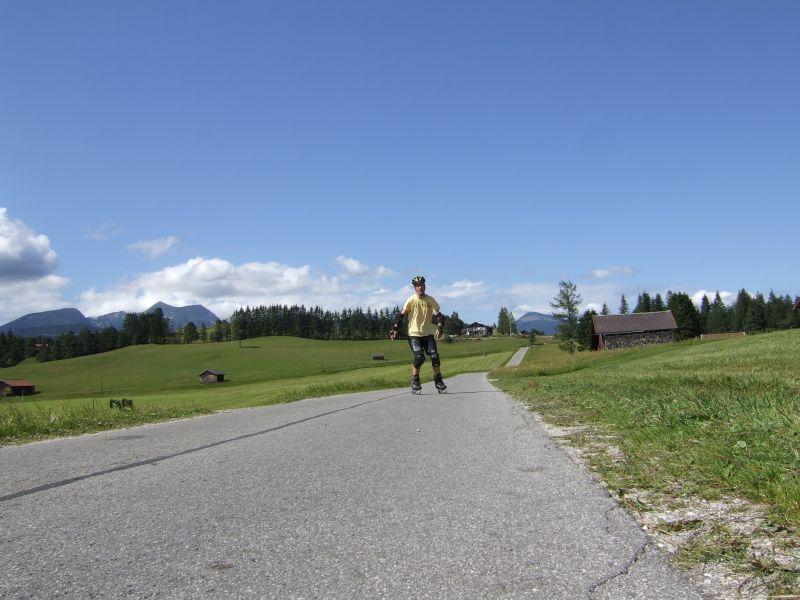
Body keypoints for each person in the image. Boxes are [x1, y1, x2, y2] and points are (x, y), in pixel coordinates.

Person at [390, 275, 447, 394]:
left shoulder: (430, 300)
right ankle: (415, 381)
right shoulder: (411, 299)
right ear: (414, 288)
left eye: (421, 285)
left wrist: (440, 327)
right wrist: (394, 328)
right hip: (414, 334)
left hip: (428, 334)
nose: (420, 287)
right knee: (419, 357)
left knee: (435, 356)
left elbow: (438, 315)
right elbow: (401, 315)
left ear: (425, 286)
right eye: (417, 286)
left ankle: (438, 381)